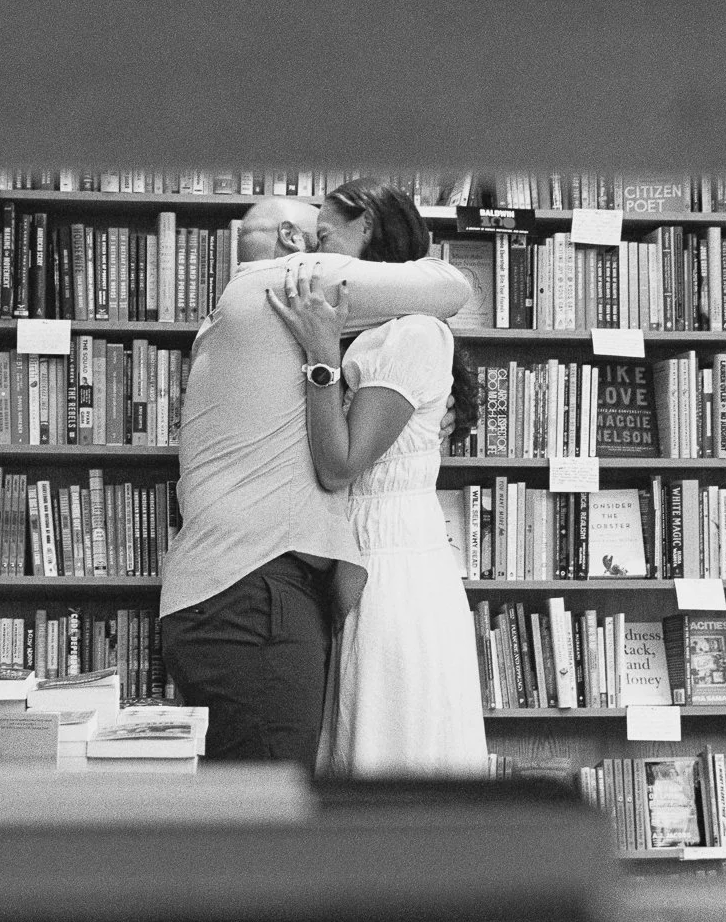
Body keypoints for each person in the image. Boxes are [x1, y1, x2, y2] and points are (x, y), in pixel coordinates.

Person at [159, 190, 470, 768]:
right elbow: (454, 287)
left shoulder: (266, 315)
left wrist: (419, 415)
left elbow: (362, 437)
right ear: (292, 242)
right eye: (318, 236)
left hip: (257, 588)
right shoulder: (289, 282)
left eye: (330, 235)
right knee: (277, 800)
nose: (322, 247)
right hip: (257, 591)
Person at [267, 178, 488, 776]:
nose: (316, 257)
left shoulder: (411, 333)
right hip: (367, 547)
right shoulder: (379, 332)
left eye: (326, 238)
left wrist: (319, 353)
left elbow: (340, 465)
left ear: (365, 227)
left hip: (390, 560)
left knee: (390, 741)